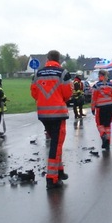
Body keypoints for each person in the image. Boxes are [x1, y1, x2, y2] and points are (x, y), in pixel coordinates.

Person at [30, 50, 73, 189]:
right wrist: (60, 100)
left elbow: (34, 92)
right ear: (58, 59)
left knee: (56, 143)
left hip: (43, 114)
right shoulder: (63, 73)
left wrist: (44, 101)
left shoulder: (38, 73)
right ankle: (52, 179)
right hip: (58, 114)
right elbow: (68, 93)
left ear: (48, 59)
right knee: (56, 145)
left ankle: (59, 172)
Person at [91, 69, 112, 150]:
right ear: (106, 76)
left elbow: (93, 98)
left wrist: (93, 108)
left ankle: (103, 135)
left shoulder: (96, 86)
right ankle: (107, 142)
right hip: (110, 107)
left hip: (100, 108)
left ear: (99, 76)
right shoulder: (111, 85)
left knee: (100, 124)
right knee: (108, 125)